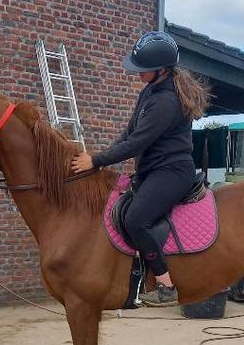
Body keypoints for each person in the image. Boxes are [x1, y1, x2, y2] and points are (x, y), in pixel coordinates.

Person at [71, 31, 210, 305]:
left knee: (136, 219)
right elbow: (129, 132)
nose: (139, 74)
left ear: (162, 70)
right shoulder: (150, 90)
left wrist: (97, 160)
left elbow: (137, 143)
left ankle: (166, 285)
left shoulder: (166, 102)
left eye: (144, 70)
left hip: (172, 172)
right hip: (152, 170)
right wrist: (101, 158)